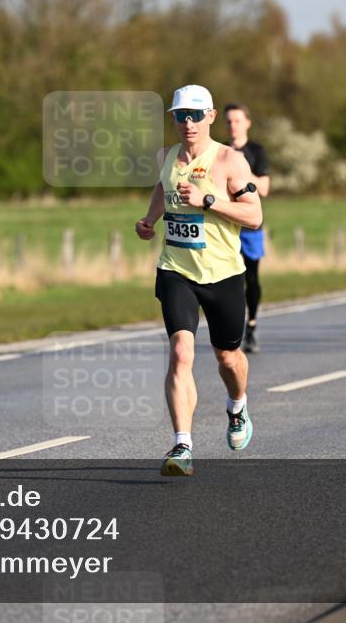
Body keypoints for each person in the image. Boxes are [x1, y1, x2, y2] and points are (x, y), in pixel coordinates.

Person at [135, 85, 263, 476]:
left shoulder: (230, 160)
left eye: (195, 114)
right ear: (172, 118)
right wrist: (150, 220)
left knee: (228, 357)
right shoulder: (166, 157)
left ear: (210, 116)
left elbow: (254, 216)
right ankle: (182, 446)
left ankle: (237, 406)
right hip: (176, 269)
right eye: (180, 115)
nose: (187, 123)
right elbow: (163, 186)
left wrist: (207, 201)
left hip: (223, 274)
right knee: (180, 355)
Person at [223, 103, 271, 353]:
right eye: (229, 121)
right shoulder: (217, 151)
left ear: (247, 123)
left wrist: (240, 168)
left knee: (251, 277)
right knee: (228, 278)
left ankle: (251, 325)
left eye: (237, 121)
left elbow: (264, 188)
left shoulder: (256, 151)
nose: (233, 126)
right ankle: (231, 330)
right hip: (222, 225)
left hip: (250, 225)